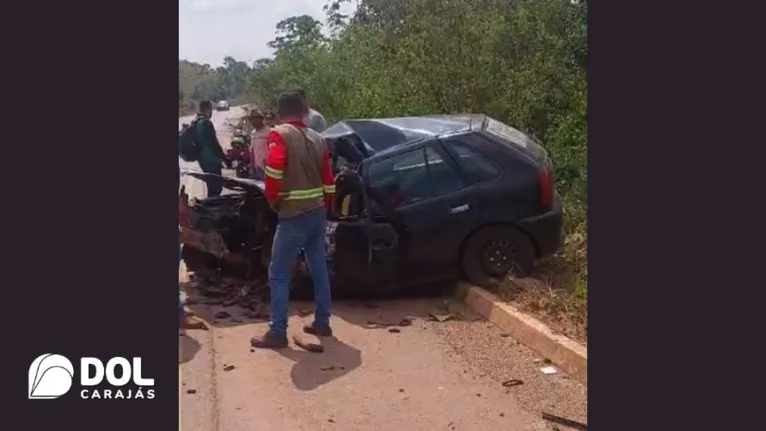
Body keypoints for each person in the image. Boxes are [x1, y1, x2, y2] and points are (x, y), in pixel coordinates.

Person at [250, 92, 336, 349]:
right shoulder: (318, 138)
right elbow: (328, 181)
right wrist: (326, 208)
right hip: (317, 212)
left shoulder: (279, 134)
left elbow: (274, 170)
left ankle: (278, 332)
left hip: (293, 215)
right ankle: (322, 322)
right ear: (304, 111)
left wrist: (273, 201)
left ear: (280, 112)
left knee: (278, 274)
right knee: (319, 268)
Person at [194, 100, 230, 197]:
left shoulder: (195, 122)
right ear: (208, 109)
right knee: (216, 188)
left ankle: (210, 206)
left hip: (202, 161)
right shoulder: (206, 123)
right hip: (212, 161)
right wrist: (225, 159)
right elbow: (214, 144)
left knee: (212, 186)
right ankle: (211, 208)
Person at [248, 109, 270, 181]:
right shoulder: (253, 133)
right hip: (257, 168)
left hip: (268, 168)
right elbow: (252, 151)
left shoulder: (269, 131)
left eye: (255, 119)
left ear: (261, 119)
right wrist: (252, 167)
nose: (253, 122)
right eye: (251, 119)